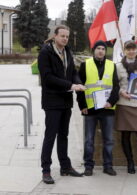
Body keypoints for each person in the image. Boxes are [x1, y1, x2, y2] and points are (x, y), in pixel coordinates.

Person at [38, 25, 86, 184]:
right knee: (50, 136)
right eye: (62, 36)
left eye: (67, 36)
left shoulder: (68, 52)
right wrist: (70, 86)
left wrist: (78, 84)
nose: (65, 39)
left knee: (63, 135)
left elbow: (73, 73)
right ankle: (46, 170)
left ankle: (65, 167)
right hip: (52, 101)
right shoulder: (46, 52)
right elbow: (47, 77)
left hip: (66, 101)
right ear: (55, 36)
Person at [76, 40, 120, 176]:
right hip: (90, 109)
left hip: (107, 109)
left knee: (108, 140)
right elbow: (79, 87)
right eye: (98, 48)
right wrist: (82, 105)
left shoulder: (111, 66)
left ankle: (108, 166)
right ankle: (89, 166)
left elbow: (116, 87)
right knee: (89, 140)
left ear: (105, 51)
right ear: (93, 50)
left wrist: (111, 102)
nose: (101, 51)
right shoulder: (85, 65)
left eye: (103, 49)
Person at [115, 40, 137, 174]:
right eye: (128, 49)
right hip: (124, 103)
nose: (131, 51)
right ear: (124, 51)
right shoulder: (118, 67)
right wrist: (121, 92)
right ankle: (130, 163)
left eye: (133, 49)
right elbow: (114, 84)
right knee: (125, 135)